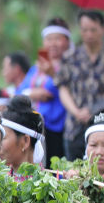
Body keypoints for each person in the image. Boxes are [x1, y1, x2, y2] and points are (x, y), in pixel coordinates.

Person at [55, 11, 104, 160]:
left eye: (93, 29)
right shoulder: (70, 58)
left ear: (102, 29)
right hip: (74, 128)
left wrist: (97, 112)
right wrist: (76, 112)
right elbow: (63, 89)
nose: (89, 34)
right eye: (84, 29)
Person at [16, 18, 71, 162]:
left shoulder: (70, 67)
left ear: (67, 42)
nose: (52, 43)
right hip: (33, 125)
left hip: (56, 127)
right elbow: (20, 91)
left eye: (57, 39)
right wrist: (31, 94)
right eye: (48, 39)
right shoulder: (36, 68)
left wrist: (53, 75)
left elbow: (69, 91)